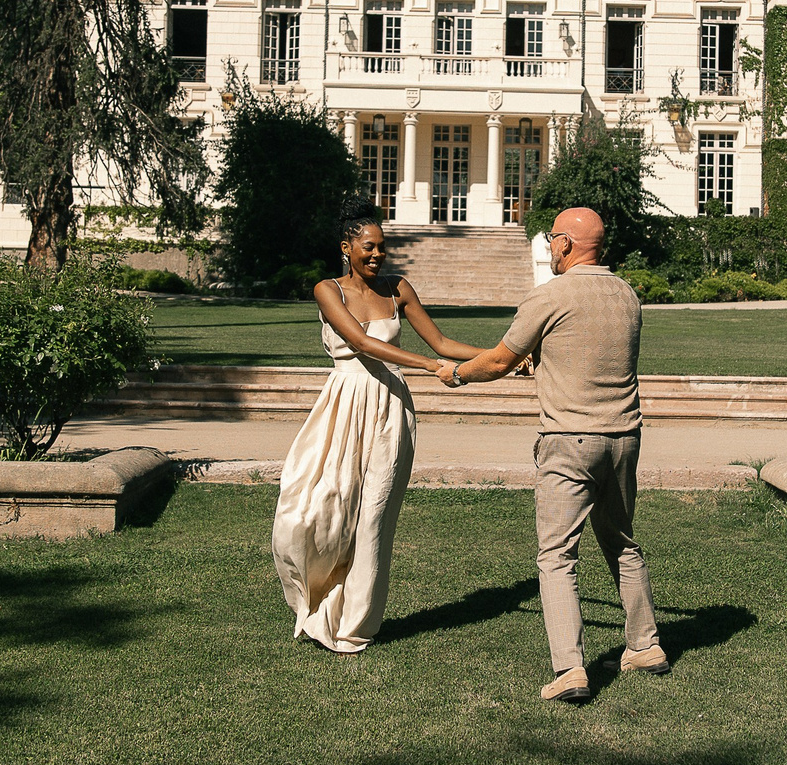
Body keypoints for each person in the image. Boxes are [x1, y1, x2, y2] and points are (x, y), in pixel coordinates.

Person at [450, 206, 665, 704]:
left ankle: (570, 670)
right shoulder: (628, 295)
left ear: (567, 244)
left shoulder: (550, 296)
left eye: (552, 239)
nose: (549, 246)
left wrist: (458, 374)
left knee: (556, 556)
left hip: (569, 441)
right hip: (623, 438)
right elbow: (585, 352)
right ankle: (646, 645)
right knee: (622, 543)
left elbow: (501, 359)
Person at [271, 196, 490, 652]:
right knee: (316, 509)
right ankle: (315, 600)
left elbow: (443, 341)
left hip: (391, 408)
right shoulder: (326, 289)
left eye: (382, 247)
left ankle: (355, 624)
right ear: (346, 248)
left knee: (373, 519)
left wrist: (504, 356)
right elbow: (359, 343)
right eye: (367, 247)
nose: (376, 255)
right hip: (342, 406)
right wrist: (429, 367)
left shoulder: (398, 289)